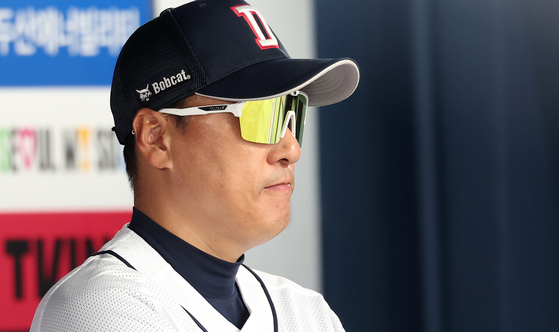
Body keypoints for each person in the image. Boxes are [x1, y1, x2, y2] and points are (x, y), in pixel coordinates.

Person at [30, 0, 359, 331]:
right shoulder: (99, 306)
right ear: (157, 139)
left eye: (293, 111)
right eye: (261, 115)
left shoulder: (307, 311)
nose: (291, 148)